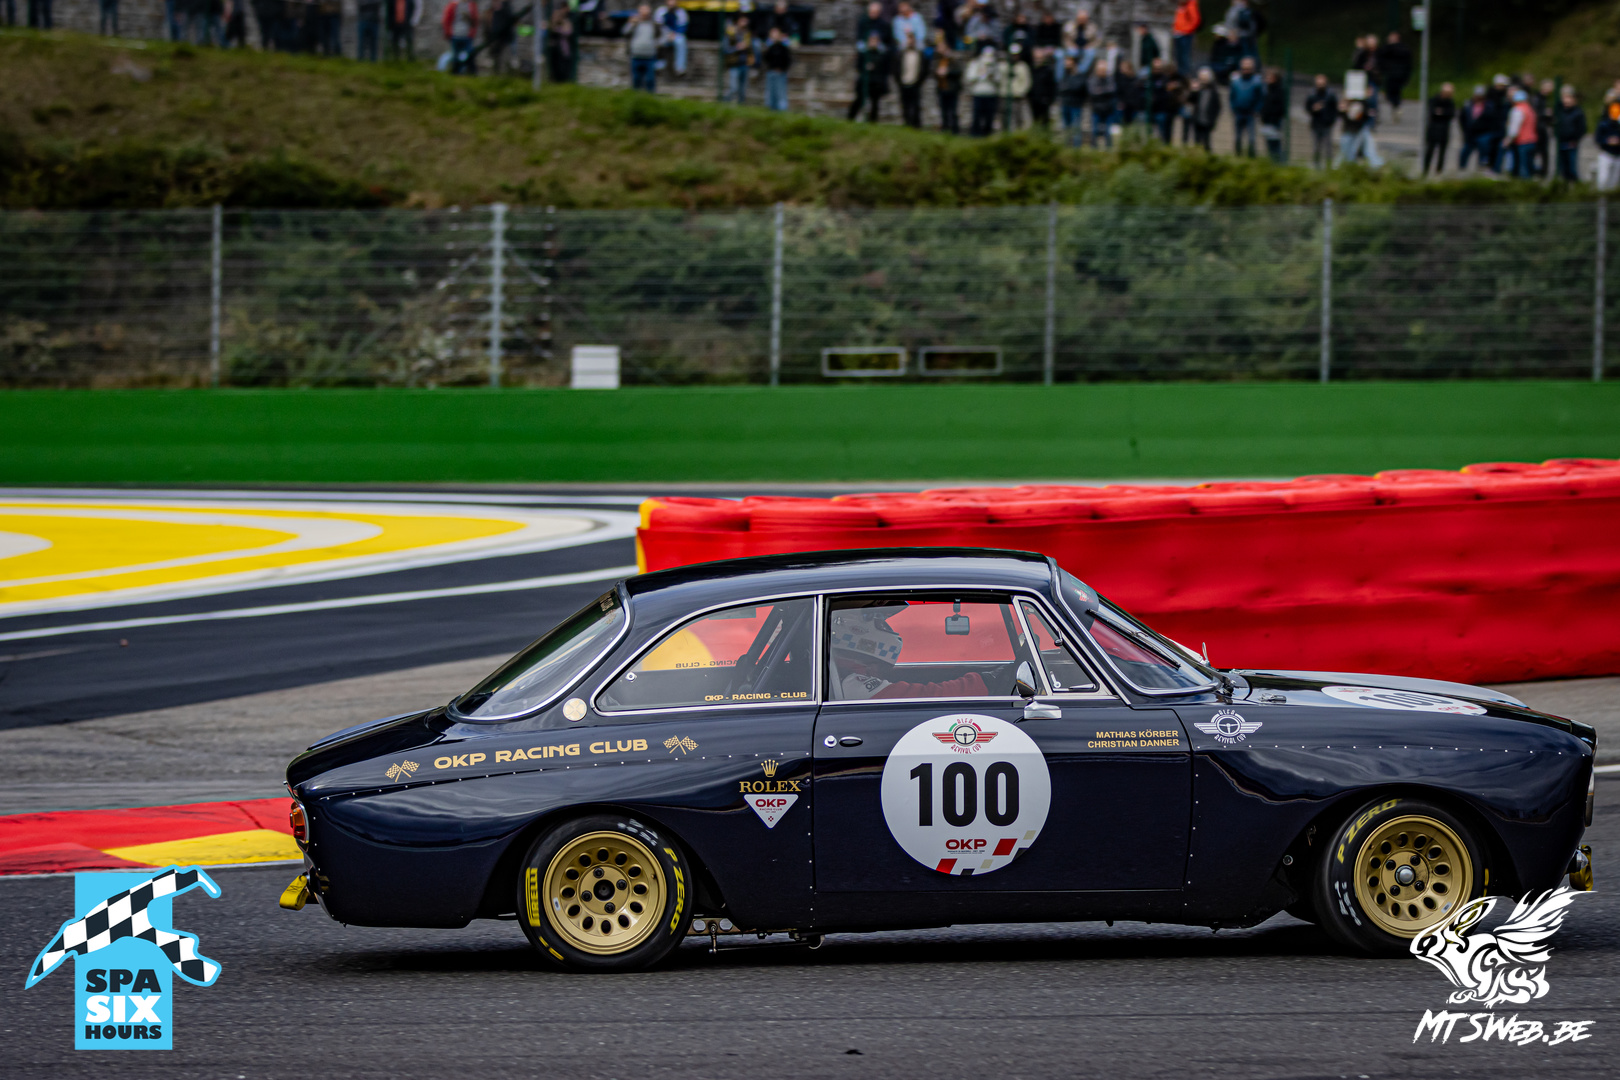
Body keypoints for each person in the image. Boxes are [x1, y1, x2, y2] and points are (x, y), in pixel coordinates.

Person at [830, 608, 1013, 700]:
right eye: (877, 620)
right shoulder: (850, 682)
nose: (884, 625)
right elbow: (925, 696)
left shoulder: (846, 674)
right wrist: (985, 681)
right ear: (856, 630)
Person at [849, 30, 890, 121]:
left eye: (875, 40)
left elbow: (884, 69)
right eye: (871, 40)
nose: (873, 42)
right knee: (859, 100)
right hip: (865, 81)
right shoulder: (864, 53)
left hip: (876, 83)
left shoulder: (882, 54)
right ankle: (850, 118)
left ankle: (873, 122)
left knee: (875, 104)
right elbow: (858, 66)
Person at [1501, 88, 1538, 178]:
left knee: (1522, 168)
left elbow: (1514, 128)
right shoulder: (1530, 109)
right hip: (1532, 140)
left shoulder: (1517, 110)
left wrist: (1508, 139)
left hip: (1522, 141)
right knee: (1529, 166)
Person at [1228, 55, 1261, 156]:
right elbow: (1232, 96)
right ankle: (1238, 156)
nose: (1246, 70)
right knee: (1238, 137)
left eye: (1248, 68)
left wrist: (1257, 110)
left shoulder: (1257, 82)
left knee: (1251, 138)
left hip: (1250, 113)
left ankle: (1251, 156)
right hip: (1239, 112)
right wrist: (1233, 108)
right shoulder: (1236, 81)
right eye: (1244, 68)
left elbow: (1260, 98)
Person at [1553, 85, 1587, 184]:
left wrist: (1575, 139)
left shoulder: (1578, 112)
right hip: (1561, 142)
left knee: (1572, 167)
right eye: (1564, 97)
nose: (1566, 100)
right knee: (1562, 167)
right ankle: (1563, 185)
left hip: (1571, 143)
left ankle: (1573, 184)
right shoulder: (1559, 111)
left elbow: (1582, 129)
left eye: (1568, 97)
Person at [1305, 74, 1339, 169]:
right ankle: (1316, 166)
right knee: (1316, 148)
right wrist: (1313, 109)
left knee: (1328, 148)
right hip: (1316, 124)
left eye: (1322, 83)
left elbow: (1335, 109)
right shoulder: (1312, 95)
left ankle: (1328, 167)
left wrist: (1331, 120)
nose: (1320, 85)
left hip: (1327, 124)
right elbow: (1307, 107)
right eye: (1318, 83)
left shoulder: (1330, 95)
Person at [1376, 31, 1412, 122]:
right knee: (1394, 93)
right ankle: (1396, 107)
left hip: (1395, 75)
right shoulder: (1401, 48)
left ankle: (1396, 107)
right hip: (1395, 74)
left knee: (1392, 92)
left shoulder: (1394, 49)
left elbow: (1408, 63)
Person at [1422, 82, 1456, 177]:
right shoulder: (1434, 100)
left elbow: (1451, 114)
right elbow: (1432, 112)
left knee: (1442, 152)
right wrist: (1442, 113)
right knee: (1430, 150)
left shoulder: (1450, 103)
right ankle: (1425, 170)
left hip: (1444, 131)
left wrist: (1441, 113)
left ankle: (1438, 171)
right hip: (1433, 129)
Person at [966, 44, 999, 136]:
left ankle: (987, 133)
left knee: (989, 115)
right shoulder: (975, 63)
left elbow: (998, 79)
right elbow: (970, 77)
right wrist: (980, 74)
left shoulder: (995, 64)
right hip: (978, 92)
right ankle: (975, 133)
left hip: (991, 93)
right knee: (977, 114)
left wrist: (992, 75)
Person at [1086, 55, 1117, 147]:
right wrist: (1104, 91)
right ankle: (1094, 149)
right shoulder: (1092, 79)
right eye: (1100, 70)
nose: (1102, 72)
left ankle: (1108, 149)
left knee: (1108, 131)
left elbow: (1112, 89)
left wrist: (1100, 91)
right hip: (1096, 108)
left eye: (1104, 70)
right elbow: (1092, 92)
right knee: (1094, 131)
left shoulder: (1110, 79)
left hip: (1108, 108)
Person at [1001, 41, 1031, 131]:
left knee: (1020, 119)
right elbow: (1001, 80)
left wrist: (1020, 92)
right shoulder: (1003, 66)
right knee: (1006, 119)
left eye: (1016, 55)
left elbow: (1027, 82)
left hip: (1018, 98)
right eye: (1012, 54)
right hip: (1005, 97)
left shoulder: (1023, 66)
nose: (1014, 56)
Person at [723, 13, 752, 103]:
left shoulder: (747, 34)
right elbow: (726, 49)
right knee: (734, 88)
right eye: (743, 20)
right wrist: (737, 48)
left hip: (745, 63)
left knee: (743, 91)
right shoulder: (731, 33)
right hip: (734, 64)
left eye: (746, 21)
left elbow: (751, 49)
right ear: (738, 21)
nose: (745, 23)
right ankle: (724, 102)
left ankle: (741, 106)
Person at [1259, 67, 1287, 163]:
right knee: (1269, 145)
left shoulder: (1279, 91)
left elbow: (1281, 108)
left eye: (1269, 77)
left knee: (1275, 145)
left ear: (1275, 78)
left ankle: (1279, 163)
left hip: (1275, 122)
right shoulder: (1267, 90)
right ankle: (1273, 162)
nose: (1267, 79)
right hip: (1267, 122)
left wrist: (1272, 116)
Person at [1058, 52, 1087, 146]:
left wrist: (1068, 88)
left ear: (1074, 63)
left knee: (1076, 129)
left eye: (1068, 61)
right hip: (1065, 104)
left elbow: (1077, 88)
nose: (1066, 63)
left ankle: (1076, 150)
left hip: (1076, 105)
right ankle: (1066, 147)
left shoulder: (1080, 76)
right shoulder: (1065, 75)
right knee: (1066, 128)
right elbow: (1061, 88)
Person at [442, 0, 477, 74]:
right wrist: (448, 32)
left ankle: (470, 72)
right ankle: (456, 72)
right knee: (456, 55)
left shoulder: (471, 5)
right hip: (455, 35)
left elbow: (475, 21)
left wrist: (472, 31)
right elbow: (447, 20)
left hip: (467, 36)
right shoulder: (453, 5)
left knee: (468, 54)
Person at [654, 2, 689, 76]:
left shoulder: (681, 12)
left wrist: (674, 34)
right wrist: (666, 34)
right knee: (659, 42)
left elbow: (683, 27)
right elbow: (658, 26)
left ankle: (680, 68)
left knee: (681, 41)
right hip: (663, 33)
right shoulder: (660, 11)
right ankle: (659, 64)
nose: (672, 3)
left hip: (676, 34)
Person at [762, 26, 792, 111]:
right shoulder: (770, 46)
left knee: (781, 93)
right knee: (771, 93)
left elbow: (787, 59)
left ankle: (782, 110)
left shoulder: (783, 46)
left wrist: (782, 68)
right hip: (771, 71)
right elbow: (766, 58)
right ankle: (771, 110)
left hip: (781, 72)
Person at [935, 45, 963, 134]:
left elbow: (959, 72)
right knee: (943, 110)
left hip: (952, 89)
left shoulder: (954, 61)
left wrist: (948, 72)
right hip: (942, 88)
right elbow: (933, 71)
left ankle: (955, 129)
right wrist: (938, 73)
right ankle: (945, 128)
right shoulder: (939, 60)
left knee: (953, 111)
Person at [1191, 66, 1220, 150]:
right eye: (1201, 78)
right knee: (1197, 142)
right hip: (1197, 120)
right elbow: (1190, 100)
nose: (1203, 81)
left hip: (1207, 121)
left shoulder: (1213, 91)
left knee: (1206, 142)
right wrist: (1193, 91)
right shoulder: (1198, 90)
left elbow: (1217, 107)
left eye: (1204, 78)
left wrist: (1213, 120)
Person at [1028, 46, 1057, 129]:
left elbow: (1052, 87)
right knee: (1035, 121)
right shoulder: (1032, 69)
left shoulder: (1048, 70)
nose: (1038, 60)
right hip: (1033, 99)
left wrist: (1049, 99)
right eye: (1036, 58)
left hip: (1044, 101)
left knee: (1045, 122)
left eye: (1040, 58)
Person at [485, 0, 516, 73]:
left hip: (504, 39)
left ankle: (503, 73)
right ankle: (497, 73)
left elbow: (505, 24)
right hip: (496, 40)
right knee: (496, 58)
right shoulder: (493, 11)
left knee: (504, 59)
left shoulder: (505, 9)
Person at [1171, 0, 1199, 79]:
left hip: (1185, 35)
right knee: (1178, 56)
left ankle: (1186, 76)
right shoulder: (1180, 5)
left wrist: (1185, 30)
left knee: (1185, 57)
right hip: (1177, 34)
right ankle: (1180, 75)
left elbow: (1195, 21)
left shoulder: (1191, 5)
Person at [547, 6, 576, 82]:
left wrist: (558, 29)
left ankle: (563, 79)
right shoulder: (552, 23)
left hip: (563, 49)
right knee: (554, 65)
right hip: (554, 49)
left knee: (563, 66)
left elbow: (568, 32)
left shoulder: (566, 22)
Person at [1596, 99, 1620, 192]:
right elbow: (1598, 139)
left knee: (1614, 183)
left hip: (1617, 155)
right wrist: (1607, 141)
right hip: (1606, 154)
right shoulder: (1603, 124)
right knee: (1603, 181)